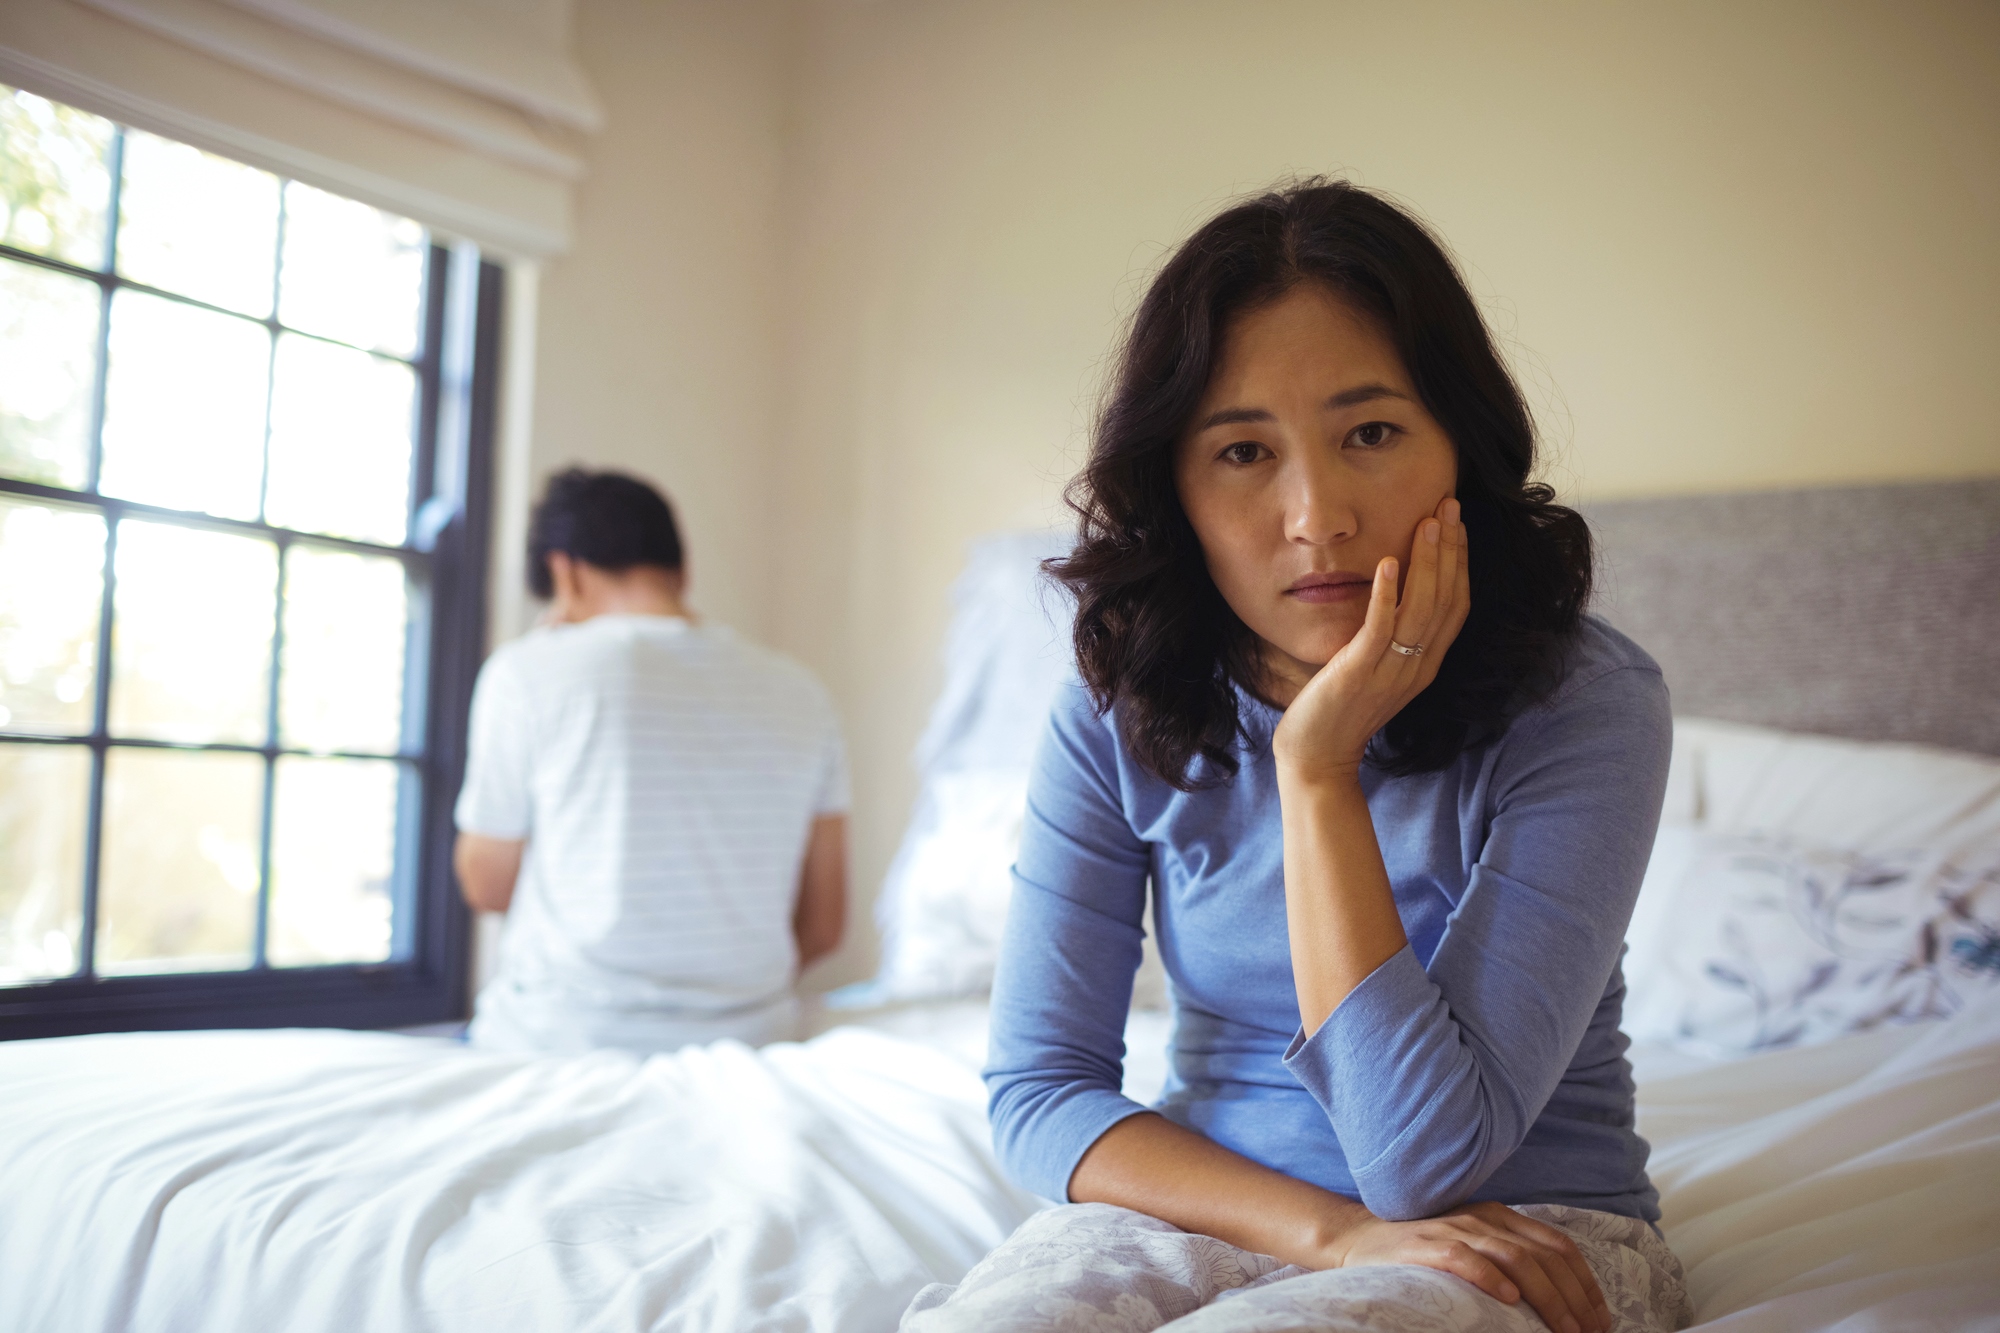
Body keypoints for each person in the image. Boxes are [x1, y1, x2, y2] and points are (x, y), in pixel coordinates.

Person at [905, 182, 1690, 1332]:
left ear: (1455, 450)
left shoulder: (1582, 704)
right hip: (1204, 1212)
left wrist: (1314, 768)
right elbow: (1037, 1092)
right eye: (1240, 450)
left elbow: (1420, 1159)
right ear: (1174, 486)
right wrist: (1323, 1233)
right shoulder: (1115, 710)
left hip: (1516, 1230)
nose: (1314, 516)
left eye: (1368, 433)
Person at [454, 467, 849, 1055]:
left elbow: (486, 885)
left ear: (565, 572)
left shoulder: (528, 672)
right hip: (748, 1043)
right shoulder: (803, 692)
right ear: (681, 570)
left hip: (563, 1039)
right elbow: (822, 925)